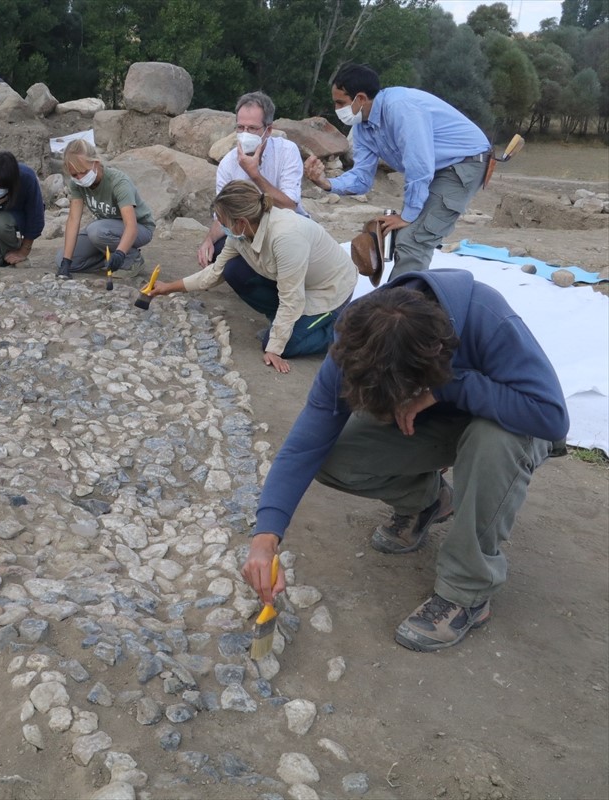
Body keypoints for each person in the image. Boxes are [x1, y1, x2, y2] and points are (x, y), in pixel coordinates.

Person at [242, 270, 568, 652]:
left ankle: (467, 592)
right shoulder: (358, 338)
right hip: (435, 420)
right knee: (332, 456)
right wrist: (265, 537)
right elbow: (305, 445)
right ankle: (427, 501)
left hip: (508, 422)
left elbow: (551, 417)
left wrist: (451, 387)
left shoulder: (487, 316)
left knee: (493, 441)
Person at [303, 63, 491, 280]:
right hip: (438, 166)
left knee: (415, 239)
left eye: (340, 103)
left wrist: (407, 215)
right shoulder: (363, 127)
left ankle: (400, 300)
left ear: (360, 98)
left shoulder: (401, 108)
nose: (336, 109)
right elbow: (362, 178)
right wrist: (327, 183)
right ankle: (405, 291)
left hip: (464, 162)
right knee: (404, 234)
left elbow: (419, 166)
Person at [149, 181, 355, 373]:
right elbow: (215, 272)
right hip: (297, 283)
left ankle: (343, 334)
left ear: (241, 222)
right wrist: (168, 287)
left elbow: (292, 299)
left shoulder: (286, 238)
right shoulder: (242, 232)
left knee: (281, 346)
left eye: (222, 221)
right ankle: (283, 323)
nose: (221, 226)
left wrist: (274, 348)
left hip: (328, 291)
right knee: (233, 270)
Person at [197, 91, 308, 272]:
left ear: (268, 130)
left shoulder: (287, 151)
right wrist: (208, 239)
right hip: (249, 231)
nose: (245, 134)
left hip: (288, 228)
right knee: (218, 253)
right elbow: (224, 216)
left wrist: (254, 174)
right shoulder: (228, 163)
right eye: (240, 127)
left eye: (252, 128)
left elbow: (289, 205)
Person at [56, 139, 155, 278]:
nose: (80, 178)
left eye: (84, 172)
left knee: (96, 230)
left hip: (139, 228)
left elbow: (131, 226)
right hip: (107, 229)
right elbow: (73, 220)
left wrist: (121, 253)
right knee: (62, 259)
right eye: (74, 175)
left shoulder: (118, 182)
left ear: (95, 163)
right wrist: (66, 262)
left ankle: (131, 258)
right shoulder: (77, 184)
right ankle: (109, 260)